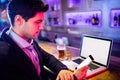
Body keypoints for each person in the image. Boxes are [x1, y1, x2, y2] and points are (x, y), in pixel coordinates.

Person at [0, 0, 88, 80]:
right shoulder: (4, 57)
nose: (42, 27)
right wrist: (75, 77)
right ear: (18, 20)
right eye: (37, 22)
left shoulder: (28, 40)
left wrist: (62, 69)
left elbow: (47, 57)